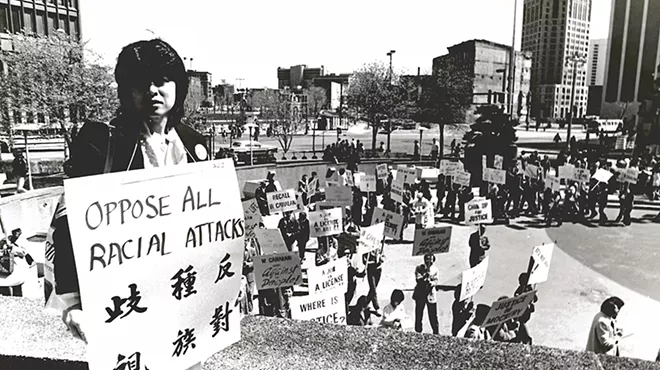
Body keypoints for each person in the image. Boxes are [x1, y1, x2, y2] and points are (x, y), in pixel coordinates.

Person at [49, 39, 209, 348]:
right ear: (126, 89)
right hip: (125, 297)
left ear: (179, 85)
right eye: (140, 81)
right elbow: (67, 223)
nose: (152, 90)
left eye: (162, 80)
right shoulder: (102, 142)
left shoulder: (193, 143)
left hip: (182, 297)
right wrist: (71, 302)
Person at [413, 253, 439, 334]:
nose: (429, 262)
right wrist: (425, 276)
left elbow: (436, 280)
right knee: (419, 314)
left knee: (433, 315)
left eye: (431, 260)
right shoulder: (419, 268)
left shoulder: (435, 270)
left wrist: (432, 283)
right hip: (420, 294)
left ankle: (435, 331)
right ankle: (418, 331)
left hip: (430, 295)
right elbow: (418, 279)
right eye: (427, 259)